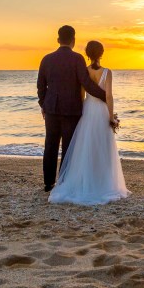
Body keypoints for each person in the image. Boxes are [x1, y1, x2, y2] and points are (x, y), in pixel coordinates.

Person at [48, 40, 129, 205]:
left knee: (86, 147)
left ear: (87, 54)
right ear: (101, 54)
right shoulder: (107, 72)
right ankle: (101, 182)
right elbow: (108, 96)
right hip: (101, 111)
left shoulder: (84, 71)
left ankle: (85, 180)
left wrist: (81, 112)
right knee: (103, 146)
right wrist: (111, 116)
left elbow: (82, 95)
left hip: (87, 110)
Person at [37, 25, 108, 192]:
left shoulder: (46, 59)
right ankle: (63, 182)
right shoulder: (77, 59)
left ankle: (48, 183)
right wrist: (105, 96)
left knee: (50, 146)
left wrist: (43, 105)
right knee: (69, 148)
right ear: (73, 40)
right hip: (71, 110)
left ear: (58, 39)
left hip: (52, 110)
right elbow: (87, 83)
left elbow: (41, 86)